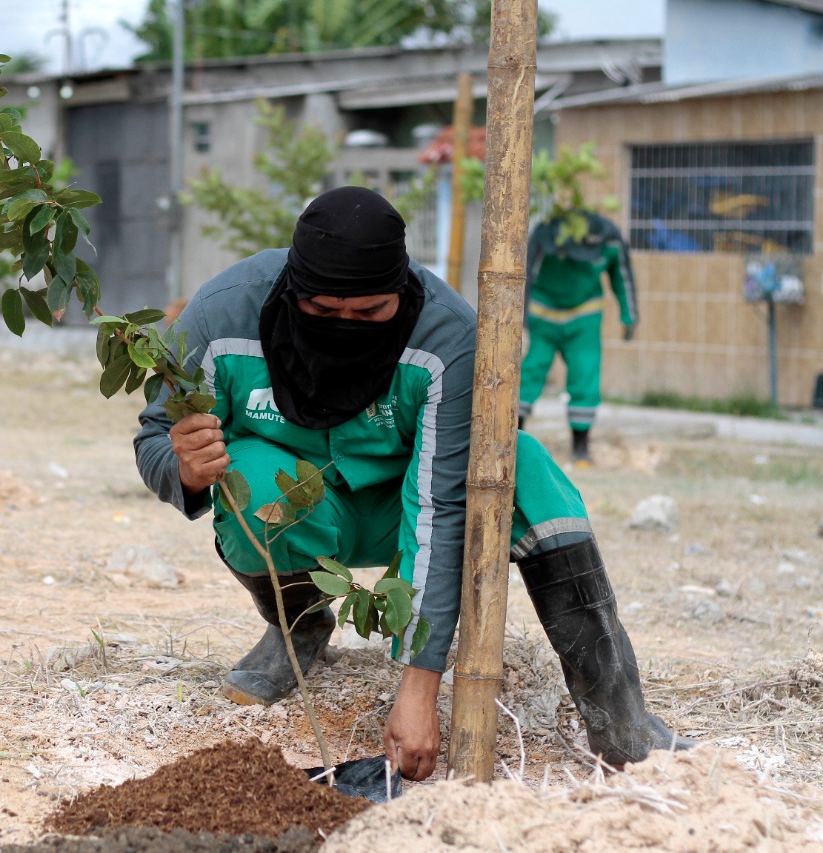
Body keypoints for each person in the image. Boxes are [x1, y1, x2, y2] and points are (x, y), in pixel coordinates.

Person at [134, 186, 690, 781]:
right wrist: (183, 469)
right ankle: (299, 626)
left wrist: (419, 688)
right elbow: (154, 437)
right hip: (304, 510)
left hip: (408, 515)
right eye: (323, 312)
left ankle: (619, 717)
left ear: (399, 292)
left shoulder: (447, 336)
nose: (346, 326)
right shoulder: (219, 316)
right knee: (255, 486)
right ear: (291, 290)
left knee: (524, 465)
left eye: (370, 314)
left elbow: (439, 507)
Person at [519, 210, 638, 465]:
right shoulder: (546, 233)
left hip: (584, 317)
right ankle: (514, 438)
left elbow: (622, 277)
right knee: (527, 374)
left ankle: (581, 449)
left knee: (585, 377)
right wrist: (520, 323)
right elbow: (524, 275)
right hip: (542, 315)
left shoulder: (611, 240)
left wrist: (630, 316)